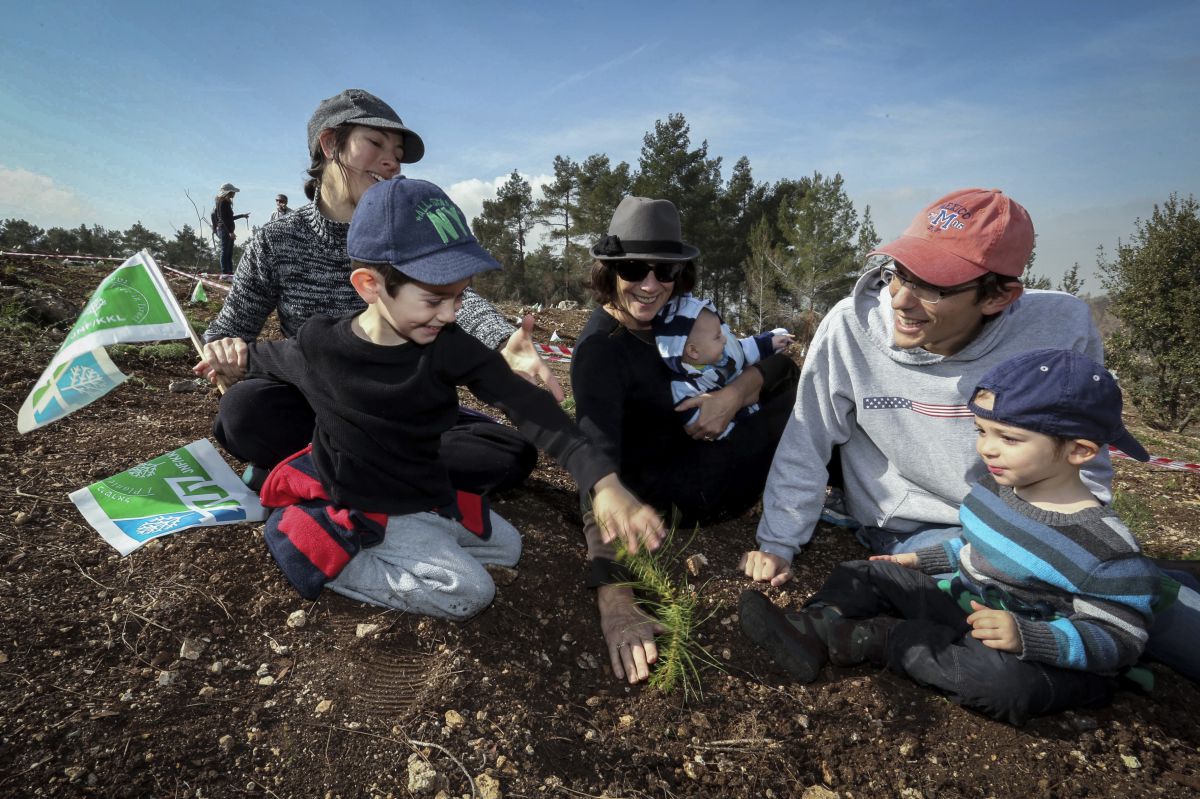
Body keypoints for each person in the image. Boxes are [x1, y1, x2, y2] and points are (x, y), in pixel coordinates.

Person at [748, 187, 1199, 682]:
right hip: (917, 528)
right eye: (896, 273)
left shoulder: (1059, 326)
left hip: (1031, 521)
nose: (899, 298)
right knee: (1058, 620)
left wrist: (1074, 541)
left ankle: (1155, 582)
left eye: (934, 286)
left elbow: (1078, 441)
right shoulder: (850, 330)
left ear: (999, 296)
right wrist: (779, 543)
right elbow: (807, 438)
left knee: (1143, 614)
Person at [196, 177, 664, 619]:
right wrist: (232, 357)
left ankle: (419, 532)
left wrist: (603, 482)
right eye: (436, 298)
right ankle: (326, 550)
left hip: (423, 493)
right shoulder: (321, 345)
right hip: (361, 501)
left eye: (460, 297)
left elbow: (528, 405)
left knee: (509, 547)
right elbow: (265, 358)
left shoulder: (448, 345)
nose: (450, 313)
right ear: (370, 286)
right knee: (470, 593)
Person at [741, 349, 1160, 725]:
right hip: (969, 609)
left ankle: (876, 640)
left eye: (1009, 438)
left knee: (1004, 686)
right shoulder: (994, 491)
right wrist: (924, 562)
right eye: (982, 431)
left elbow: (1121, 639)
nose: (987, 450)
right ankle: (813, 627)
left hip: (1039, 658)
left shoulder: (1107, 550)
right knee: (870, 574)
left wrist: (1028, 636)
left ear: (1080, 451)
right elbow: (974, 549)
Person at [202, 88, 558, 496]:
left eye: (397, 152)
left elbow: (457, 298)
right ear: (330, 143)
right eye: (376, 143)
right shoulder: (276, 241)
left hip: (403, 408)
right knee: (244, 412)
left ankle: (313, 473)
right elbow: (227, 330)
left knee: (507, 452)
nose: (392, 161)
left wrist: (501, 340)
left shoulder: (413, 228)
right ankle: (384, 477)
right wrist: (224, 351)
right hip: (319, 406)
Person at [571, 196, 799, 683]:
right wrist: (615, 597)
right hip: (685, 493)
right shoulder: (600, 351)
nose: (650, 284)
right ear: (608, 270)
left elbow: (779, 364)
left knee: (796, 382)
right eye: (634, 268)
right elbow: (595, 465)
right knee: (799, 400)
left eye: (665, 269)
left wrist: (732, 396)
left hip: (714, 446)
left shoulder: (677, 320)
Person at [653, 294, 793, 440]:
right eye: (717, 336)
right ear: (694, 351)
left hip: (755, 410)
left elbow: (746, 348)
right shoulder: (685, 387)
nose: (725, 339)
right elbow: (701, 424)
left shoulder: (723, 354)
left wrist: (771, 341)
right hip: (739, 436)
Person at [213, 183, 250, 277]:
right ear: (228, 192)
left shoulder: (225, 202)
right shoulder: (222, 202)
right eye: (233, 191)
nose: (234, 193)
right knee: (225, 251)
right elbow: (224, 219)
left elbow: (229, 218)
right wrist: (230, 232)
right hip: (224, 230)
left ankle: (229, 272)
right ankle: (225, 272)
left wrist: (242, 215)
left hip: (227, 230)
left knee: (229, 252)